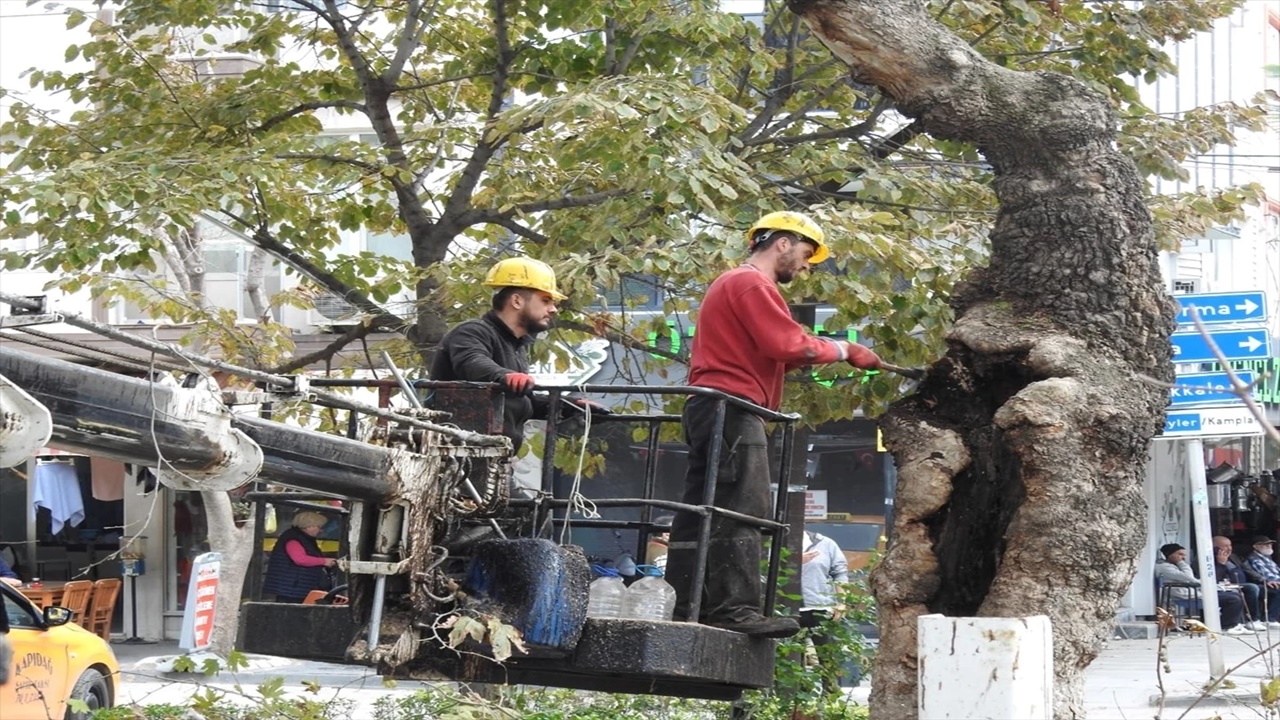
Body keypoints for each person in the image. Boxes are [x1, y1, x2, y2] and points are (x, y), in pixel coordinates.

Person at [664, 211, 881, 639]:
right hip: (732, 407)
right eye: (805, 254)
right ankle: (733, 610)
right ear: (782, 242)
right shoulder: (749, 283)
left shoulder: (739, 284)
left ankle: (684, 603)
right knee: (745, 507)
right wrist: (845, 349)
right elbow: (786, 344)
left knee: (703, 511)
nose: (806, 265)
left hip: (717, 408)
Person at [431, 257, 601, 452]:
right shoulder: (472, 331)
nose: (553, 309)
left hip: (492, 456)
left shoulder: (516, 346)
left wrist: (574, 406)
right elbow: (473, 362)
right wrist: (505, 375)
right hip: (458, 454)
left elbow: (523, 400)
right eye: (546, 300)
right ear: (517, 301)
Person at [1156, 543, 1250, 634]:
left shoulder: (1175, 566)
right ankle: (1227, 626)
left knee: (1236, 594)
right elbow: (1188, 577)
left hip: (1195, 593)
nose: (1183, 558)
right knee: (1233, 599)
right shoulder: (1164, 567)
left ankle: (1234, 624)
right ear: (1169, 555)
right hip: (1186, 596)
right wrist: (1181, 563)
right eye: (1180, 555)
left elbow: (1190, 579)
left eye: (1184, 555)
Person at [262, 511, 336, 604]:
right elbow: (299, 559)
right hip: (292, 588)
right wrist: (323, 561)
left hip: (296, 586)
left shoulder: (304, 538)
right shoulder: (293, 539)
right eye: (319, 527)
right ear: (308, 526)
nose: (321, 530)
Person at [1214, 535, 1280, 629]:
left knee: (1273, 589)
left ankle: (1269, 619)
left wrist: (1264, 580)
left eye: (1230, 545)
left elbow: (1247, 570)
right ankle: (1253, 620)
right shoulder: (1210, 559)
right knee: (1252, 588)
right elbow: (1214, 577)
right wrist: (1221, 564)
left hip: (1241, 584)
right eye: (1225, 546)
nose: (1228, 548)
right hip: (1225, 586)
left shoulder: (1233, 557)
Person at [1244, 536, 1280, 624]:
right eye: (1265, 544)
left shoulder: (1267, 558)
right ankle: (1270, 619)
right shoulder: (1254, 558)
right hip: (1262, 584)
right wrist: (1266, 580)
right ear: (1255, 546)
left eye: (1270, 544)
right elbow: (1266, 575)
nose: (1269, 546)